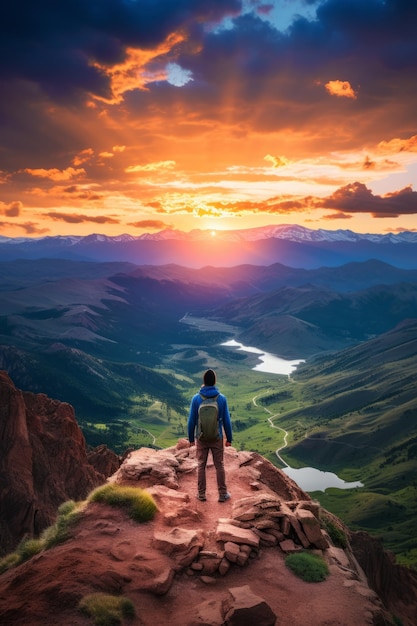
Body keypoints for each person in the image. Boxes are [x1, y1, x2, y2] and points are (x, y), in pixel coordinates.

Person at [188, 368, 233, 502]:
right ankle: (223, 494)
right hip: (217, 437)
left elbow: (191, 420)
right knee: (219, 465)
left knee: (201, 465)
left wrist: (191, 438)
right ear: (214, 381)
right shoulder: (222, 399)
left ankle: (201, 494)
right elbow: (226, 421)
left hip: (201, 438)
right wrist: (229, 438)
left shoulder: (196, 399)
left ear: (204, 381)